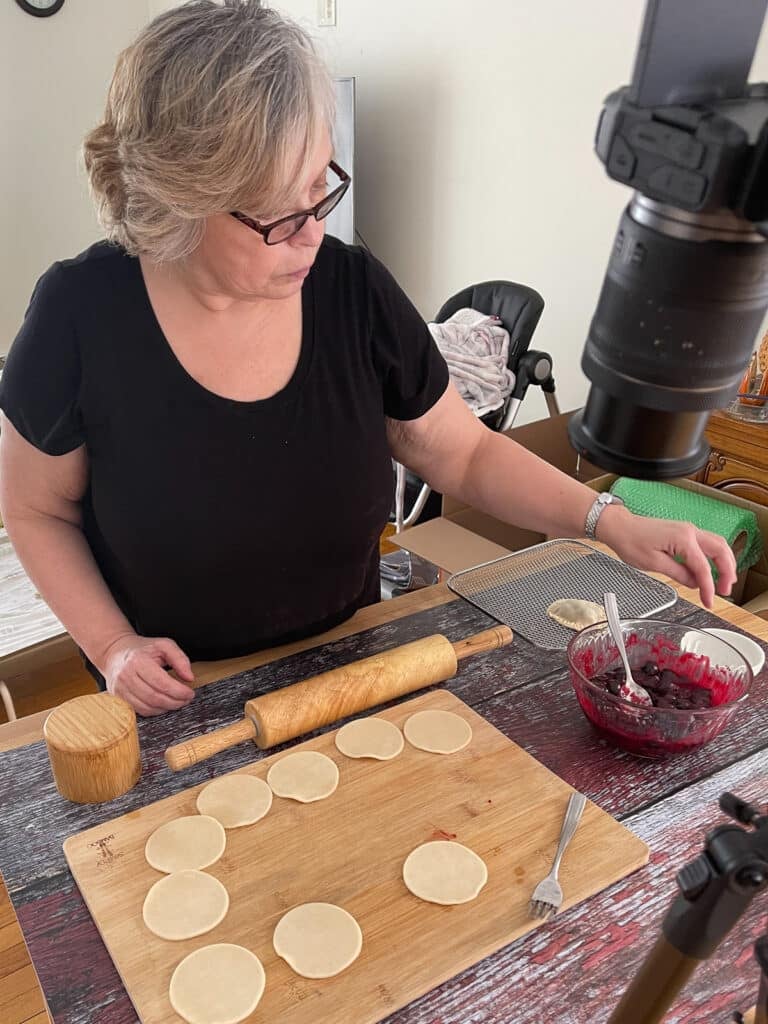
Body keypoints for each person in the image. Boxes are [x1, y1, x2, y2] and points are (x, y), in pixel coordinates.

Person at [0, 0, 736, 717]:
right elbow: (35, 509)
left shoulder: (351, 289)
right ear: (180, 198)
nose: (312, 232)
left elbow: (464, 453)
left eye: (321, 184)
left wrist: (607, 519)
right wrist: (113, 645)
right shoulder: (80, 314)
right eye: (278, 211)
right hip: (175, 695)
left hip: (352, 669)